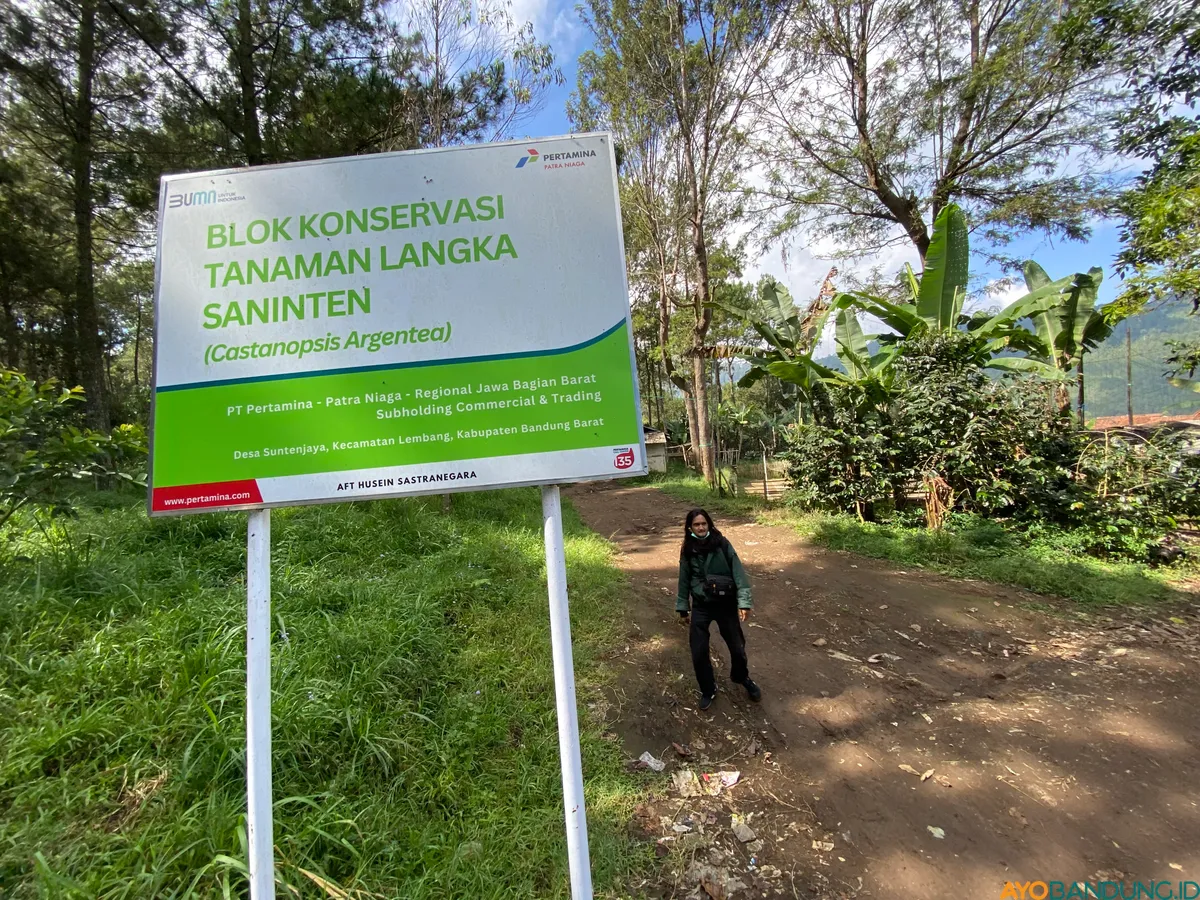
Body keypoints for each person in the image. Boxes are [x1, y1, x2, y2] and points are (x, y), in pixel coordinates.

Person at [675, 508, 761, 710]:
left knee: (737, 648)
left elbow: (738, 571)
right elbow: (684, 578)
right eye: (696, 524)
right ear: (690, 527)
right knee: (698, 651)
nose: (701, 527)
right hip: (701, 606)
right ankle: (708, 689)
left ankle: (742, 678)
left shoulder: (722, 544)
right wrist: (682, 607)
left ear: (709, 524)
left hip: (725, 604)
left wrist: (744, 602)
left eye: (704, 523)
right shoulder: (688, 549)